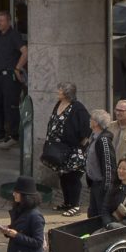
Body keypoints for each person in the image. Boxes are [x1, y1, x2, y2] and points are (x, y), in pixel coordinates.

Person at [41, 84, 91, 217]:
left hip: (73, 150)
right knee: (63, 175)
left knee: (73, 177)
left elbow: (87, 129)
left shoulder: (78, 108)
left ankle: (75, 205)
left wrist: (80, 146)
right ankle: (67, 202)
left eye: (61, 90)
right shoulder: (58, 104)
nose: (58, 92)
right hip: (59, 149)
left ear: (67, 93)